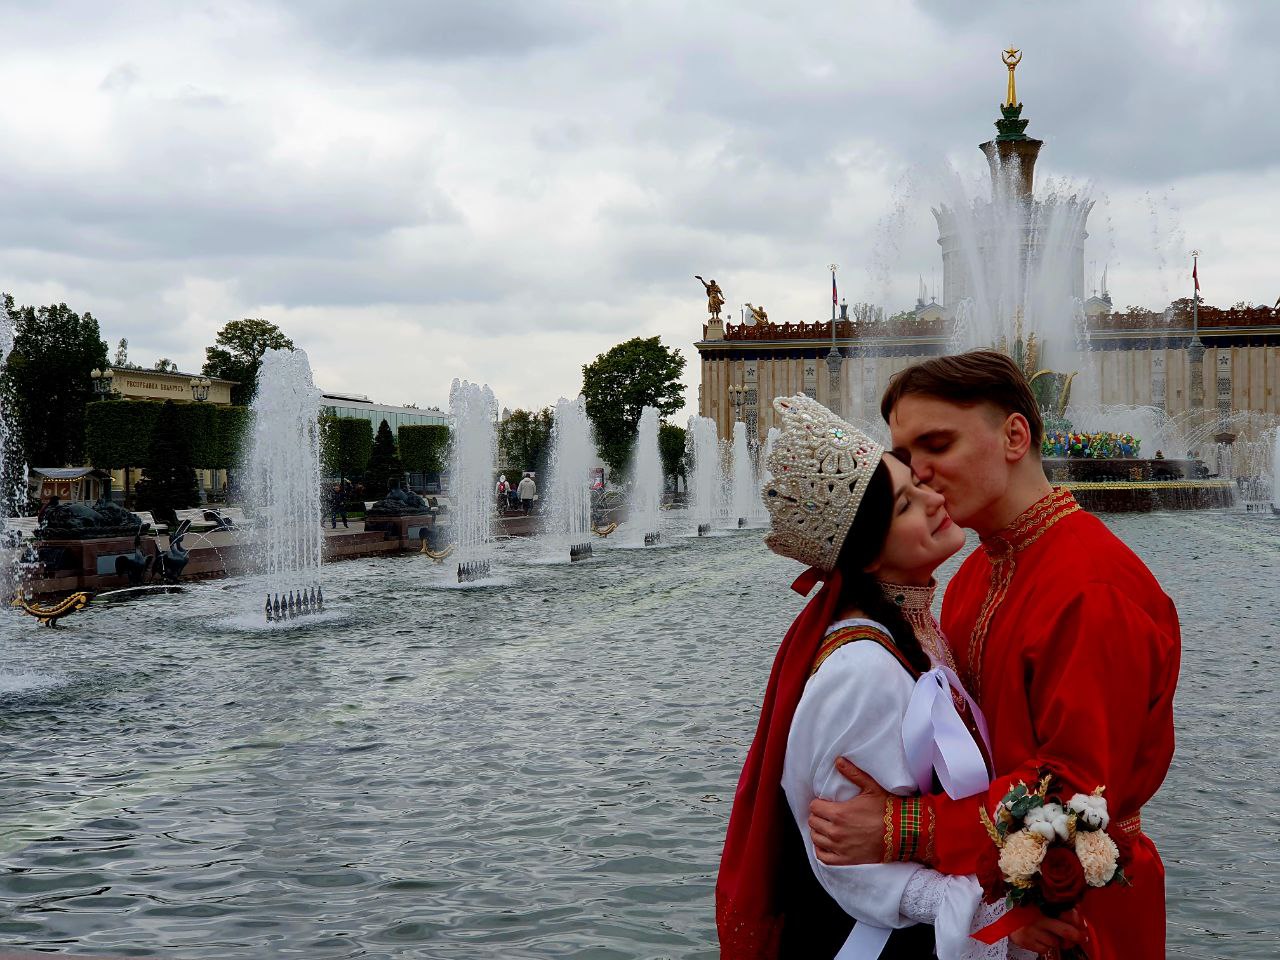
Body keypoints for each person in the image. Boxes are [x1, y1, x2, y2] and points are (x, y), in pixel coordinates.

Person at [806, 351, 1180, 959]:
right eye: (904, 456)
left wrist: (906, 828)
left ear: (1014, 435)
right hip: (998, 900)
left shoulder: (1092, 589)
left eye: (937, 444)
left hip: (1082, 915)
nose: (918, 473)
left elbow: (1080, 796)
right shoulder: (979, 569)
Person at [718, 394, 1072, 959]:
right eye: (907, 504)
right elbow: (844, 862)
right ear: (864, 555)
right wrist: (998, 923)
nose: (935, 500)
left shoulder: (913, 630)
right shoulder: (862, 669)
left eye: (919, 485)